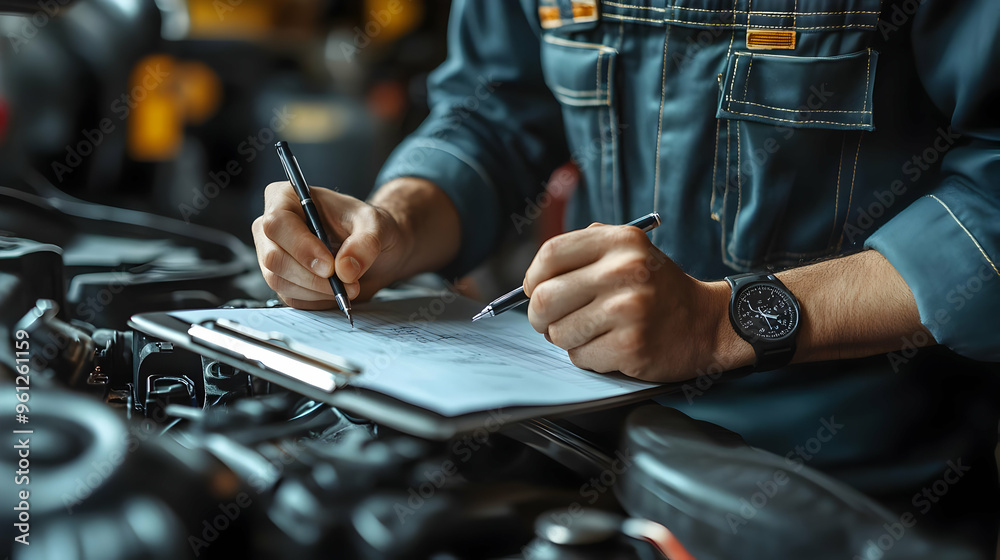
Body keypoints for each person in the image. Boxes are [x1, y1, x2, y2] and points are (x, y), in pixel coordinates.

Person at [252, 0, 1000, 555]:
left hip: (855, 493)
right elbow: (492, 111)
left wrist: (720, 324)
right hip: (588, 455)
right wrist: (395, 225)